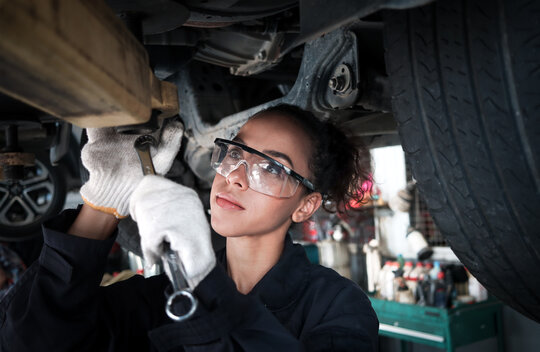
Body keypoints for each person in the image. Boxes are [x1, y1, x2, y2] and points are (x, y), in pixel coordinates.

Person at [0, 105, 379, 351]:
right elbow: (30, 341)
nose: (235, 177)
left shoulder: (337, 306)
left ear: (306, 205)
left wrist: (202, 284)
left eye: (271, 168)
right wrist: (103, 202)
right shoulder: (160, 296)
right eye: (235, 153)